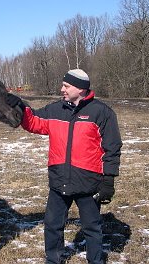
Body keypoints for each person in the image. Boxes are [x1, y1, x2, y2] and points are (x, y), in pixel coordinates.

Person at [7, 69, 122, 264]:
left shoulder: (101, 113)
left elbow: (112, 148)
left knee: (92, 228)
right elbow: (34, 121)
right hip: (59, 181)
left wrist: (108, 180)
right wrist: (20, 106)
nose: (62, 89)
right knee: (52, 225)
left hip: (88, 183)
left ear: (81, 88)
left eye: (66, 86)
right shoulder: (55, 110)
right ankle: (53, 260)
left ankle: (95, 261)